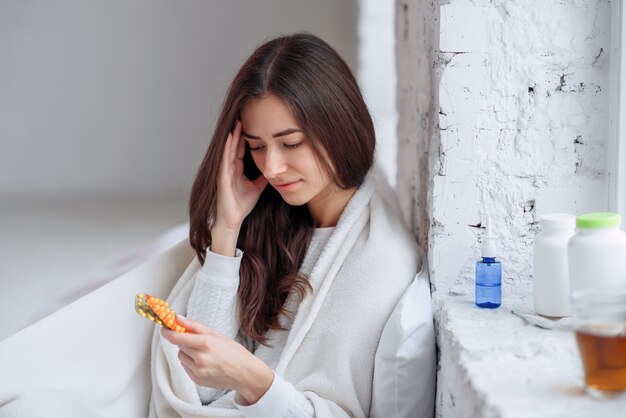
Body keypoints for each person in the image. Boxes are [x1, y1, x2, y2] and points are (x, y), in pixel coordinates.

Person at [149, 32, 433, 417]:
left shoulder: (379, 263)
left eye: (292, 143)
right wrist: (227, 230)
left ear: (337, 126)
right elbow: (199, 384)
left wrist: (253, 380)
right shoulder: (273, 221)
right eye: (257, 145)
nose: (271, 167)